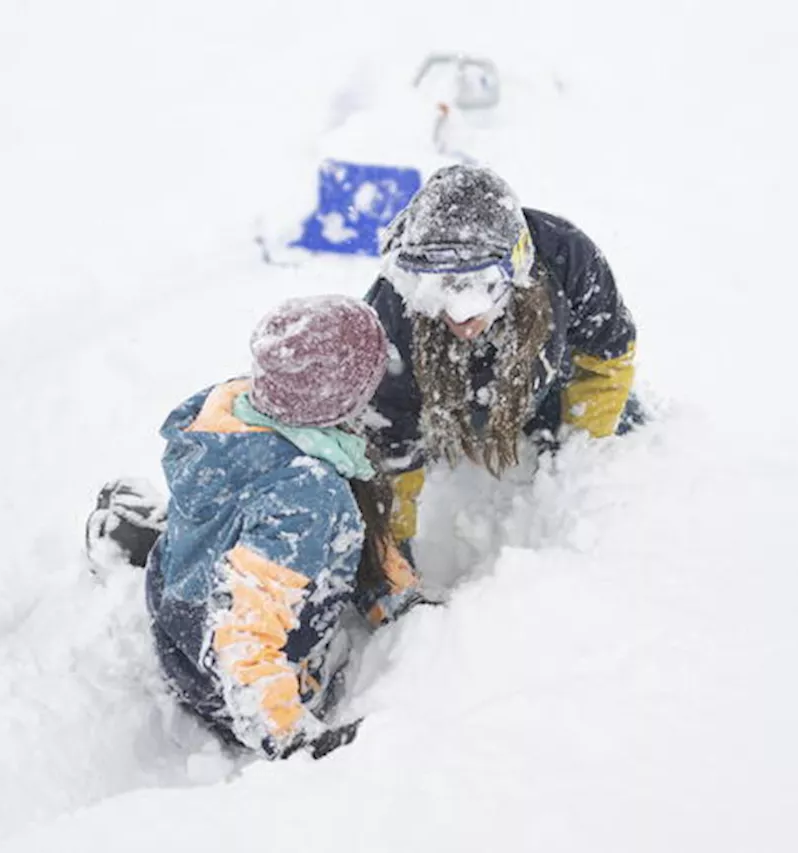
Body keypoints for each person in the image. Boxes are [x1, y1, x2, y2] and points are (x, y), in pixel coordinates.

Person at [131, 295, 424, 761]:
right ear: (339, 399)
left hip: (177, 593)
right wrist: (292, 737)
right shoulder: (305, 496)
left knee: (232, 523)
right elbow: (242, 636)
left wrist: (394, 592)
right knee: (271, 562)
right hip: (223, 680)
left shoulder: (228, 411)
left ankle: (136, 532)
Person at [364, 164, 641, 550]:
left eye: (483, 284)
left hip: (550, 387)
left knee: (630, 439)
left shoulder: (567, 257)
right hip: (446, 408)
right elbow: (387, 433)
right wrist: (392, 555)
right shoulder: (395, 310)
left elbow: (606, 355)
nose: (461, 314)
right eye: (443, 287)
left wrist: (579, 456)